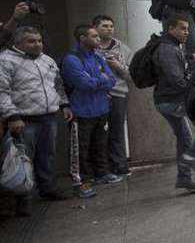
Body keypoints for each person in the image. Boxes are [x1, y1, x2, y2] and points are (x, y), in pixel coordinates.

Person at [0, 26, 73, 214]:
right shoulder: (6, 60)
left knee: (47, 155)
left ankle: (48, 189)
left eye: (39, 40)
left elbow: (57, 84)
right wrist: (12, 116)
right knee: (24, 160)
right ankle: (23, 199)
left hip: (48, 117)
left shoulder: (46, 60)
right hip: (23, 120)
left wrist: (64, 104)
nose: (37, 44)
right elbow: (2, 92)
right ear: (18, 43)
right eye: (31, 41)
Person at [152, 13, 195, 193]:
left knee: (185, 137)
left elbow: (175, 71)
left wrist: (190, 60)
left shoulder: (172, 47)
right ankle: (191, 160)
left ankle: (184, 178)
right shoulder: (167, 49)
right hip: (171, 101)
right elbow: (177, 80)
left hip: (168, 100)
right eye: (182, 29)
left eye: (188, 29)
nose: (186, 32)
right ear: (171, 29)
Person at [62, 26, 123, 198]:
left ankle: (102, 174)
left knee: (100, 144)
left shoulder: (97, 57)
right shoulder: (72, 59)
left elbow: (111, 80)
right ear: (82, 38)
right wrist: (100, 80)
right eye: (94, 36)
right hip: (81, 111)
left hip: (101, 109)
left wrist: (98, 80)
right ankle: (80, 182)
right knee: (80, 149)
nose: (98, 39)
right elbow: (83, 84)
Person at [93, 15, 132, 177]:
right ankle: (102, 169)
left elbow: (131, 75)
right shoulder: (90, 48)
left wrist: (117, 66)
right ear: (94, 27)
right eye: (104, 26)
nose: (109, 29)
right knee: (99, 133)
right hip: (96, 95)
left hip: (118, 94)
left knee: (117, 131)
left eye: (111, 26)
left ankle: (119, 165)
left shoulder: (123, 49)